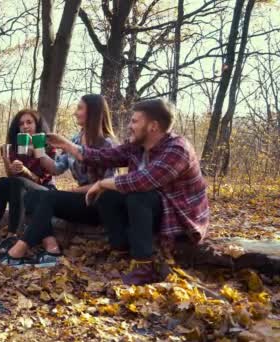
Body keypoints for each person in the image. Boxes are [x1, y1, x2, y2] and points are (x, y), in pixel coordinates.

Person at [49, 98, 209, 285]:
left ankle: (144, 266)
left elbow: (143, 181)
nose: (129, 126)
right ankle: (122, 247)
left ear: (153, 126)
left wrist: (101, 183)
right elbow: (104, 156)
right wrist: (68, 145)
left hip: (178, 217)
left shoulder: (178, 149)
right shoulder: (137, 146)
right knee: (109, 196)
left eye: (134, 121)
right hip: (151, 210)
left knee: (138, 195)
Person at [0, 94, 116, 267]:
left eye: (80, 108)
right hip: (80, 200)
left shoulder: (107, 143)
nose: (75, 113)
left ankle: (18, 250)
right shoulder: (75, 139)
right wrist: (38, 151)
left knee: (49, 196)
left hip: (98, 203)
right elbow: (56, 168)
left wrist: (72, 192)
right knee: (32, 197)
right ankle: (51, 249)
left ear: (93, 113)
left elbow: (108, 184)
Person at [0, 109, 56, 237]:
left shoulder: (47, 147)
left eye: (29, 122)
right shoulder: (16, 147)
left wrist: (25, 170)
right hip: (20, 192)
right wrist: (7, 162)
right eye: (21, 123)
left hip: (44, 192)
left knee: (19, 182)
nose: (25, 126)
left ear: (37, 125)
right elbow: (11, 178)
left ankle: (13, 234)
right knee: (3, 181)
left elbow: (43, 179)